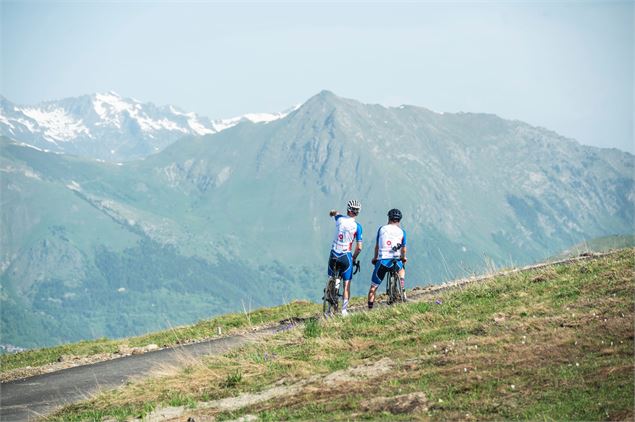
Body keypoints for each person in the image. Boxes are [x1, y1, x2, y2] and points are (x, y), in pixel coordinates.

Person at [327, 199, 362, 316]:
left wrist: (332, 212)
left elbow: (335, 213)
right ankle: (344, 311)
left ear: (348, 210)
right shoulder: (358, 227)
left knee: (331, 278)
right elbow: (359, 247)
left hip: (334, 254)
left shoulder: (339, 219)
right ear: (358, 212)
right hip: (346, 256)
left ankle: (328, 309)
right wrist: (353, 258)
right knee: (346, 284)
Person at [368, 208, 407, 309]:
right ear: (399, 220)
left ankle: (369, 309)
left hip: (382, 262)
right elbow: (403, 249)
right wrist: (403, 258)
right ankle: (402, 284)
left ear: (389, 218)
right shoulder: (402, 232)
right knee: (402, 268)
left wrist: (375, 258)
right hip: (396, 261)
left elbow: (377, 246)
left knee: (373, 287)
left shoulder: (382, 229)